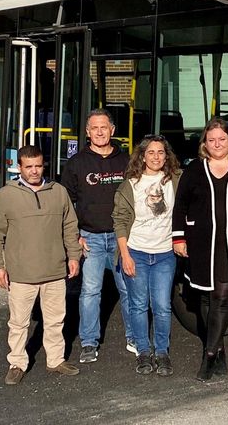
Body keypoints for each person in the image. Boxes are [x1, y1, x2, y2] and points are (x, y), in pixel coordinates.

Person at [0, 145, 82, 385]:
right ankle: (17, 363)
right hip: (21, 274)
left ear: (43, 165)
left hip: (55, 271)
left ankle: (55, 360)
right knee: (19, 323)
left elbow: (70, 227)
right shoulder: (6, 196)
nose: (34, 171)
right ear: (19, 167)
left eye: (38, 165)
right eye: (29, 167)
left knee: (56, 319)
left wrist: (73, 256)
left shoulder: (58, 191)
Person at [173, 117, 228, 381]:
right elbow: (181, 206)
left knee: (222, 295)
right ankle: (219, 350)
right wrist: (179, 238)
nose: (217, 144)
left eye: (222, 139)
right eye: (211, 140)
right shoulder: (194, 170)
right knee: (207, 297)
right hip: (201, 243)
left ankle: (209, 354)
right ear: (204, 144)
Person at [62, 109, 134, 364]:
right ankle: (89, 342)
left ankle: (134, 338)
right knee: (90, 291)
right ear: (87, 132)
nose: (100, 132)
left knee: (128, 289)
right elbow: (67, 204)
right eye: (95, 128)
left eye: (104, 127)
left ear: (113, 130)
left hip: (120, 238)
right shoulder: (76, 164)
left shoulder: (127, 161)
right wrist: (74, 236)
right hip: (89, 237)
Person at [112, 135, 182, 377]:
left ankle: (162, 352)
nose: (156, 157)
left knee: (162, 306)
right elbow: (119, 222)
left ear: (167, 155)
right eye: (151, 152)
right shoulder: (130, 185)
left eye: (160, 152)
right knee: (138, 305)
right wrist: (125, 255)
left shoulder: (176, 180)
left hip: (164, 254)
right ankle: (143, 350)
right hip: (137, 252)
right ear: (142, 156)